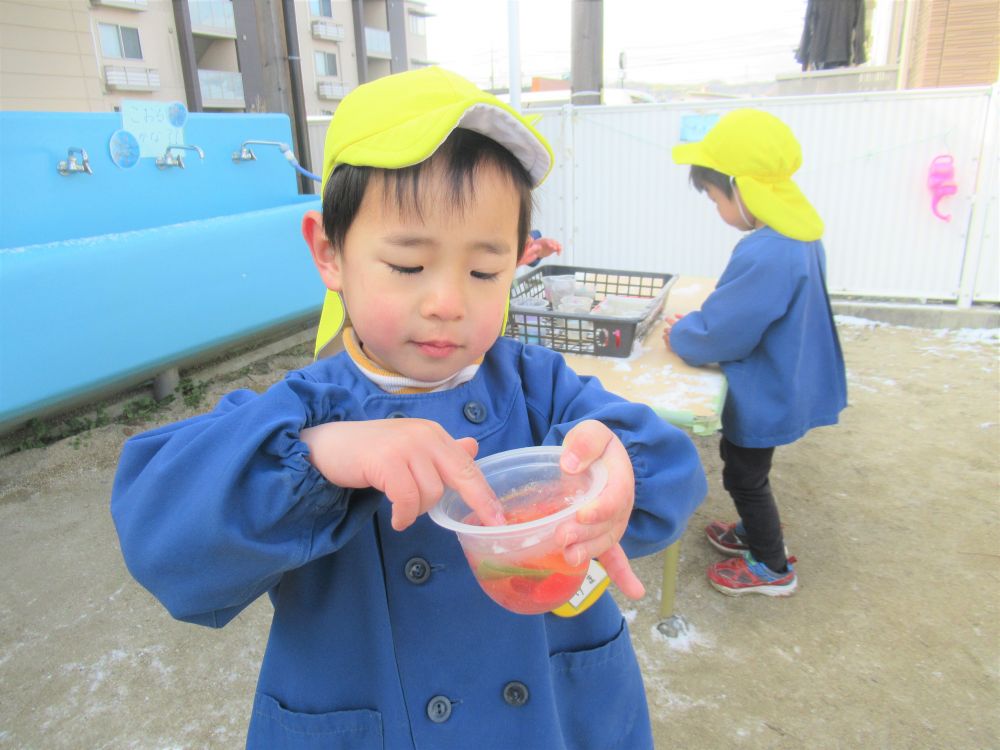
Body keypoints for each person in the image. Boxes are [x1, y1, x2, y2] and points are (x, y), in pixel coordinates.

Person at [111, 66, 707, 749]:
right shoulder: (303, 414)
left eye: (484, 271)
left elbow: (665, 469)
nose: (448, 301)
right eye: (407, 265)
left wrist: (617, 471)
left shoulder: (538, 388)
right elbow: (163, 541)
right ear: (329, 253)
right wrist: (321, 458)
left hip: (553, 721)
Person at [664, 108, 847, 598]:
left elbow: (728, 330)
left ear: (741, 188)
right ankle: (752, 531)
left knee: (744, 475)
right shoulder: (798, 235)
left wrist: (684, 335)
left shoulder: (767, 250)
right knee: (749, 467)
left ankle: (771, 565)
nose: (717, 208)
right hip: (787, 373)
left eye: (713, 197)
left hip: (766, 386)